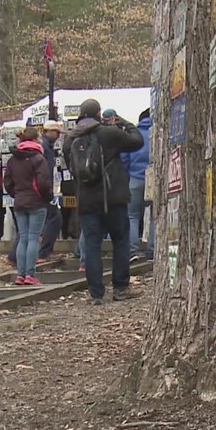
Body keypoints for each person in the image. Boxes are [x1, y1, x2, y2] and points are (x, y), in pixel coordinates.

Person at [64, 99, 144, 304]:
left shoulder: (70, 139)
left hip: (87, 200)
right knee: (120, 241)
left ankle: (96, 293)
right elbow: (137, 141)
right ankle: (120, 287)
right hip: (113, 196)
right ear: (99, 114)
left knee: (92, 245)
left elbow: (72, 168)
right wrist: (122, 122)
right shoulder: (109, 134)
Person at [3, 130, 52, 285]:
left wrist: (16, 194)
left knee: (22, 237)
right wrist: (47, 197)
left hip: (19, 202)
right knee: (33, 238)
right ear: (35, 140)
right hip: (37, 202)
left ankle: (20, 274)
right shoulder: (39, 159)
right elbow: (43, 182)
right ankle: (30, 274)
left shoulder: (12, 160)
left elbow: (7, 182)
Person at [122, 109, 152, 261]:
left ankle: (132, 251)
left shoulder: (132, 136)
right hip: (154, 178)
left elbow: (124, 158)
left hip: (135, 178)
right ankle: (152, 249)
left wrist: (127, 174)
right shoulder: (158, 132)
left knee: (132, 216)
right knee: (154, 215)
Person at [37, 120, 64, 260]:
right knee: (54, 219)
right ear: (49, 132)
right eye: (56, 132)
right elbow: (45, 171)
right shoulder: (45, 148)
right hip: (45, 190)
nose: (58, 136)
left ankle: (14, 256)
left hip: (43, 189)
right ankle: (44, 253)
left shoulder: (46, 146)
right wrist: (48, 191)